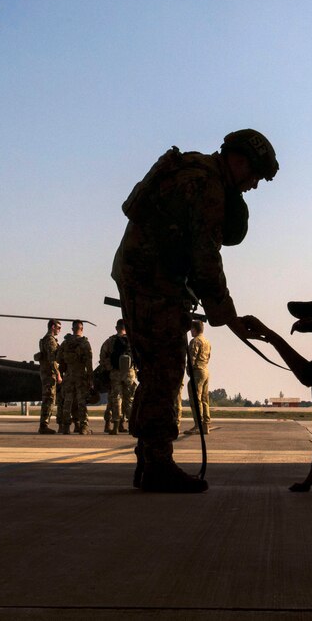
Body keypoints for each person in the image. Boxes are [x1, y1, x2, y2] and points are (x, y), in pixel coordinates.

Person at [111, 128, 278, 492]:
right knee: (166, 369)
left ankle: (151, 461)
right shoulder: (208, 186)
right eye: (254, 175)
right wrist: (229, 317)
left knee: (160, 367)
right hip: (150, 278)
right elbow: (206, 259)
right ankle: (156, 465)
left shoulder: (196, 171)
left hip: (148, 275)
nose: (253, 185)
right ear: (238, 160)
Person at [99, 319, 138, 435]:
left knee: (116, 398)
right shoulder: (132, 341)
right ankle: (131, 425)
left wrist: (109, 367)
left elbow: (102, 357)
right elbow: (139, 357)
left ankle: (115, 425)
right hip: (129, 374)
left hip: (115, 373)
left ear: (116, 328)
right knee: (130, 400)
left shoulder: (110, 341)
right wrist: (135, 369)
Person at [56, 320, 93, 435]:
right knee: (81, 401)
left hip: (68, 375)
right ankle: (83, 426)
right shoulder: (85, 343)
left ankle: (66, 426)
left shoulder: (65, 343)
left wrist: (62, 373)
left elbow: (58, 359)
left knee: (68, 400)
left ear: (72, 329)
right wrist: (90, 378)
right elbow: (89, 363)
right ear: (81, 329)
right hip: (80, 375)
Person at [185, 320, 212, 434]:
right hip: (205, 370)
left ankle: (198, 425)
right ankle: (206, 424)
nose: (190, 331)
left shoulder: (195, 341)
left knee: (196, 399)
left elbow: (192, 358)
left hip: (197, 371)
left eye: (191, 329)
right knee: (205, 399)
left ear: (194, 329)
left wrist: (188, 369)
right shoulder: (207, 342)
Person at [36, 319, 62, 434]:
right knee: (49, 399)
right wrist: (58, 374)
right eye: (58, 327)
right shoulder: (50, 340)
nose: (59, 330)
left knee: (48, 398)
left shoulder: (43, 340)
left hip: (45, 372)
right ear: (52, 327)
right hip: (49, 373)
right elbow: (52, 359)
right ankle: (44, 425)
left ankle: (44, 424)